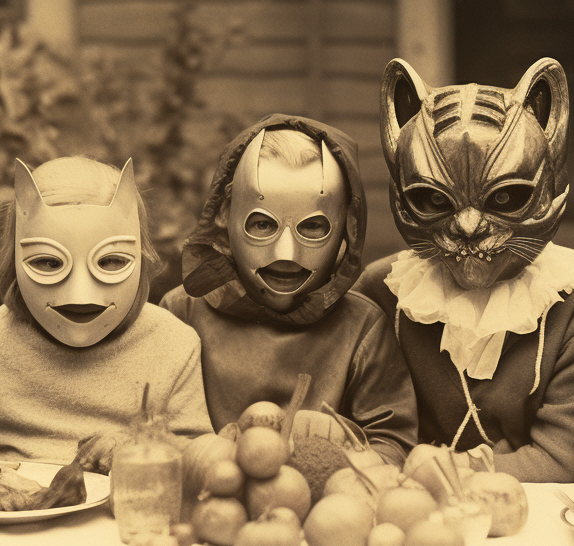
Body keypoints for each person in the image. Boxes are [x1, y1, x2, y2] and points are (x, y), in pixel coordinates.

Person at [354, 57, 574, 482]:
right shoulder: (380, 294)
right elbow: (365, 435)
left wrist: (437, 468)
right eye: (434, 200)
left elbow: (562, 460)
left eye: (506, 197)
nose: (469, 227)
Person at [0, 156, 211, 476]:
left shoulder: (172, 344)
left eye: (110, 262)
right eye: (49, 263)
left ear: (142, 257)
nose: (80, 294)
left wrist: (142, 447)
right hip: (7, 519)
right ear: (13, 260)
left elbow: (199, 456)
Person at [161, 114, 417, 465]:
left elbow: (394, 445)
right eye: (262, 224)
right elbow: (155, 434)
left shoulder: (363, 327)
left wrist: (333, 452)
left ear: (348, 227)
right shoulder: (181, 314)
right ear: (225, 213)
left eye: (313, 227)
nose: (286, 255)